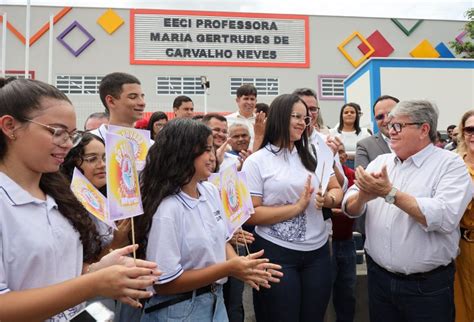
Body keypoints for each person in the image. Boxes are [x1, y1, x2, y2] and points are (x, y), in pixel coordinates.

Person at [0, 78, 160, 321]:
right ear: (10, 126)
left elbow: (53, 274)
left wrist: (97, 270)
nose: (66, 144)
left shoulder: (59, 197)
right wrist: (93, 283)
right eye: (57, 132)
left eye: (72, 135)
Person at [136, 118, 282, 321]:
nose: (212, 157)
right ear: (183, 152)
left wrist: (241, 265)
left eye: (212, 149)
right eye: (205, 150)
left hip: (215, 301)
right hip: (179, 310)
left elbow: (221, 240)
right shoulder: (167, 209)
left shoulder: (209, 190)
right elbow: (164, 282)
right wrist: (229, 268)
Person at [342, 100, 472, 322]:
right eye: (389, 125)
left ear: (424, 129)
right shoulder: (381, 162)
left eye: (398, 126)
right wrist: (364, 195)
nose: (390, 131)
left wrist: (389, 193)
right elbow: (349, 207)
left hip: (427, 288)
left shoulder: (450, 165)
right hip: (379, 281)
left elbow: (444, 217)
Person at [242, 94, 343, 322]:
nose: (302, 122)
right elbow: (252, 214)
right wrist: (296, 208)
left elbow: (337, 190)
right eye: (295, 116)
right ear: (278, 117)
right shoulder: (257, 161)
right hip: (276, 252)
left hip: (317, 253)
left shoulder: (316, 154)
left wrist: (328, 199)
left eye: (305, 118)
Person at [61, 132, 130, 253]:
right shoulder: (68, 207)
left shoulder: (111, 199)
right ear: (73, 164)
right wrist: (117, 243)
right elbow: (87, 267)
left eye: (104, 158)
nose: (102, 165)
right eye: (92, 159)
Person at [330, 143, 357, 322]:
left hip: (347, 241)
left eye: (339, 152)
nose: (336, 155)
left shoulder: (351, 175)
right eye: (331, 152)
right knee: (321, 294)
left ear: (345, 156)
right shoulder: (319, 175)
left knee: (347, 293)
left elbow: (354, 203)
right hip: (325, 244)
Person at [454, 109, 474, 322]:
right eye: (470, 129)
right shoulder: (452, 164)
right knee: (462, 307)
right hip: (460, 247)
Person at [92, 72, 146, 140]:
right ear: (111, 101)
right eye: (133, 97)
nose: (142, 103)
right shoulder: (88, 143)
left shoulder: (152, 145)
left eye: (142, 96)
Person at [355, 95, 399, 169]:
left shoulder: (417, 140)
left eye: (390, 114)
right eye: (380, 117)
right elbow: (362, 178)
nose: (386, 120)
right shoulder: (365, 146)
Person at [330, 102, 371, 169]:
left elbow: (369, 152)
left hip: (360, 167)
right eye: (346, 112)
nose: (349, 114)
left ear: (357, 115)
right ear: (341, 116)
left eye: (352, 112)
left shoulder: (365, 133)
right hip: (339, 168)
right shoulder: (331, 133)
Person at [226, 84, 258, 150]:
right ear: (237, 100)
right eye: (246, 98)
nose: (249, 102)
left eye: (252, 99)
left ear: (256, 101)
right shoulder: (226, 120)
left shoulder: (261, 123)